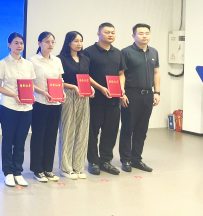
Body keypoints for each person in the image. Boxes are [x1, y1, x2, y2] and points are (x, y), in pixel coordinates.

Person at [84, 22, 127, 176]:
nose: (110, 35)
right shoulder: (88, 52)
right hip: (95, 99)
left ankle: (105, 161)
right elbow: (85, 75)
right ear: (98, 34)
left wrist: (121, 88)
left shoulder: (118, 53)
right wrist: (101, 88)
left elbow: (121, 73)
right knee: (92, 132)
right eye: (107, 32)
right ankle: (93, 161)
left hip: (113, 100)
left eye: (113, 32)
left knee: (111, 131)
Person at [0, 32, 35, 188]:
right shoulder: (2, 63)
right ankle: (8, 172)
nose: (19, 46)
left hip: (26, 108)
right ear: (9, 45)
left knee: (20, 141)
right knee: (8, 140)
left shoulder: (28, 64)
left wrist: (30, 96)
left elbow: (30, 85)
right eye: (16, 43)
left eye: (21, 43)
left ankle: (18, 171)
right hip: (9, 107)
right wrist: (13, 94)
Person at [119, 24, 160, 173]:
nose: (144, 36)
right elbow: (121, 74)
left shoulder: (153, 52)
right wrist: (122, 93)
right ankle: (125, 159)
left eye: (147, 33)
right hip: (131, 94)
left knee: (142, 129)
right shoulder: (126, 52)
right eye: (141, 33)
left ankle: (136, 159)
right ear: (133, 36)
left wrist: (157, 92)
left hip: (148, 95)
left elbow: (156, 73)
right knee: (128, 128)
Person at [58, 31, 94, 180]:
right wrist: (73, 87)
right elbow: (58, 81)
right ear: (69, 43)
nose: (79, 44)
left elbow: (86, 77)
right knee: (68, 130)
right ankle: (65, 168)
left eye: (81, 41)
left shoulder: (85, 58)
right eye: (76, 41)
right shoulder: (61, 59)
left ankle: (78, 166)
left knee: (83, 130)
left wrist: (91, 88)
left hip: (83, 96)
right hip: (68, 94)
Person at [29, 32, 64, 183]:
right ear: (39, 43)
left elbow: (59, 80)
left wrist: (62, 93)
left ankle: (48, 168)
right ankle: (37, 169)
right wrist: (42, 92)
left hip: (55, 103)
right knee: (39, 136)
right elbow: (30, 83)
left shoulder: (57, 60)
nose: (50, 44)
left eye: (53, 42)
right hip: (39, 103)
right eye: (47, 41)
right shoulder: (32, 61)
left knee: (51, 136)